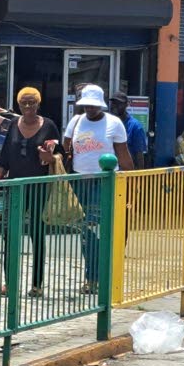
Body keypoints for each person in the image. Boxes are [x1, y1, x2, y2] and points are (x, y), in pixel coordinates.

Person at [64, 85, 133, 293]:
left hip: (103, 183)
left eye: (94, 105)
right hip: (79, 182)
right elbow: (65, 149)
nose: (90, 109)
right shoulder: (75, 122)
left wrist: (131, 185)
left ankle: (103, 275)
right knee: (87, 233)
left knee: (101, 231)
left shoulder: (114, 124)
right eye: (86, 105)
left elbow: (123, 155)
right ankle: (92, 277)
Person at [0, 86, 60, 297]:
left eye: (32, 102)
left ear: (39, 104)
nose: (28, 106)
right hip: (15, 186)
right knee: (9, 234)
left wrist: (50, 157)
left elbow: (62, 156)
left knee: (37, 234)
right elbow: (4, 158)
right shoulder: (13, 124)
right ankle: (9, 283)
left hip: (39, 187)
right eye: (24, 102)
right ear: (19, 104)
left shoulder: (49, 126)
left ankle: (37, 284)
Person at [110, 91, 148, 169]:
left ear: (126, 105)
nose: (115, 106)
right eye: (113, 103)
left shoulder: (135, 126)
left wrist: (137, 178)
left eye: (119, 103)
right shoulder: (107, 123)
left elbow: (139, 155)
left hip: (125, 173)